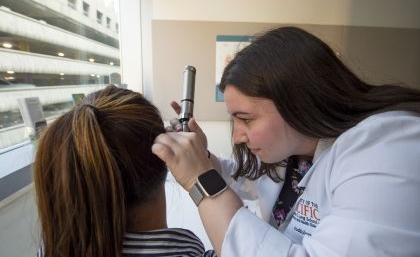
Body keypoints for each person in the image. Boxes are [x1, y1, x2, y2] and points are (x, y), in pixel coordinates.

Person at [152, 26, 420, 256]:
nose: (237, 136)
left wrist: (201, 181)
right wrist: (202, 156)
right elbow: (248, 178)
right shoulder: (298, 151)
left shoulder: (386, 148)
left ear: (299, 102)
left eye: (245, 118)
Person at [33, 85, 216, 257]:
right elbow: (241, 244)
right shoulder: (190, 251)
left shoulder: (51, 247)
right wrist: (205, 174)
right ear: (164, 156)